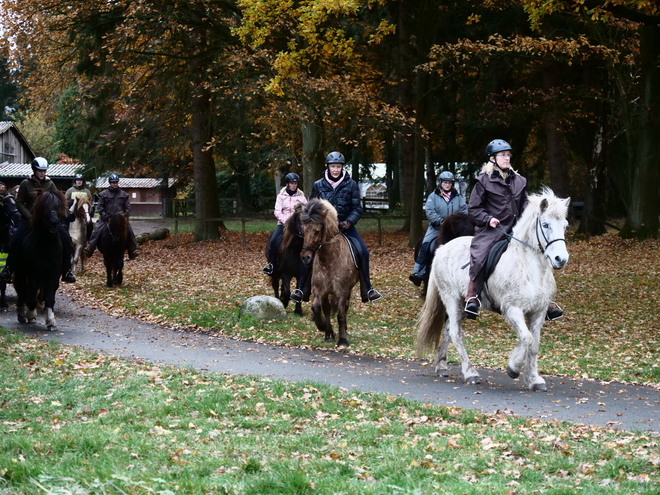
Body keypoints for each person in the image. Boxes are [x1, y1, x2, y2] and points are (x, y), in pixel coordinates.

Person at [464, 139, 563, 320]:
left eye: (508, 155)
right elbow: (474, 209)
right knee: (480, 254)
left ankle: (544, 301)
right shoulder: (483, 181)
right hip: (494, 229)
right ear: (492, 159)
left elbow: (525, 203)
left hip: (517, 229)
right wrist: (488, 219)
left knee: (539, 252)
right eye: (502, 155)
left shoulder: (519, 180)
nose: (507, 158)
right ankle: (472, 296)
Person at [291, 151, 381, 303]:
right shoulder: (318, 185)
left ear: (342, 167)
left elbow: (357, 208)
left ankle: (368, 288)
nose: (335, 169)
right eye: (333, 166)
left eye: (338, 166)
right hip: (323, 230)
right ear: (328, 167)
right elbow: (312, 207)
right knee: (307, 250)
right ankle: (301, 289)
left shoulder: (351, 184)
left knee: (363, 251)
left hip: (345, 226)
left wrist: (349, 222)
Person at [0, 157, 77, 283]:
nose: (42, 173)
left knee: (65, 238)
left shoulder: (50, 184)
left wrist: (60, 213)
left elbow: (57, 200)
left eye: (44, 171)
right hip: (29, 220)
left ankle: (67, 270)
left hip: (47, 221)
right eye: (39, 170)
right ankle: (8, 269)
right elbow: (19, 202)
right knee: (16, 239)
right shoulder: (25, 183)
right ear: (34, 170)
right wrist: (29, 217)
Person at [409, 171, 467, 286]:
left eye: (449, 183)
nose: (447, 185)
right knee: (426, 245)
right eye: (445, 182)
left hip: (454, 230)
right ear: (440, 183)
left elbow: (464, 210)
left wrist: (458, 222)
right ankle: (418, 272)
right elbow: (430, 212)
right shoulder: (433, 196)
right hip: (436, 228)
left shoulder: (458, 197)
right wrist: (442, 222)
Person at [84, 174, 138, 260]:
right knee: (97, 230)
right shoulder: (103, 194)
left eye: (116, 182)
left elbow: (128, 208)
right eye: (113, 183)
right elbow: (100, 207)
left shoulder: (124, 195)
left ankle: (132, 250)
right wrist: (104, 215)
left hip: (120, 219)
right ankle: (90, 248)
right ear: (110, 183)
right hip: (107, 218)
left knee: (129, 231)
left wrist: (124, 216)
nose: (115, 184)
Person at [263, 172, 307, 275]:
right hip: (283, 225)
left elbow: (306, 212)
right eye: (292, 183)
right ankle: (272, 265)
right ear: (287, 184)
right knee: (273, 241)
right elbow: (277, 211)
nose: (294, 185)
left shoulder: (301, 198)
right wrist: (286, 221)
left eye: (295, 183)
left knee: (310, 241)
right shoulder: (281, 197)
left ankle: (309, 265)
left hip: (298, 226)